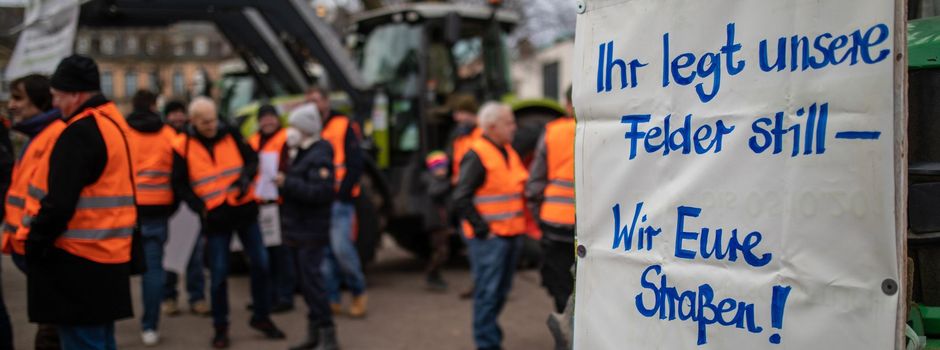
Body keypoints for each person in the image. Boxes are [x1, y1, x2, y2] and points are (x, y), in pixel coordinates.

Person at [24, 54, 136, 349]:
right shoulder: (113, 125)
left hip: (77, 262)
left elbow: (59, 204)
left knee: (82, 341)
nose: (56, 104)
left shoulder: (78, 133)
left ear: (75, 93)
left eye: (57, 96)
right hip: (109, 256)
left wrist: (34, 242)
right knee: (101, 340)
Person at [172, 97, 285, 348]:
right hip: (215, 218)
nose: (212, 125)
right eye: (205, 122)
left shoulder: (231, 133)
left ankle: (262, 316)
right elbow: (179, 183)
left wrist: (246, 177)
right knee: (219, 274)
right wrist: (199, 207)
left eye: (214, 118)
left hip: (244, 210)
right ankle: (220, 326)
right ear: (193, 122)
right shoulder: (182, 146)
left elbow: (252, 160)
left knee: (261, 264)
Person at [453, 102, 528, 350]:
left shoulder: (508, 151)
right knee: (487, 294)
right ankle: (487, 344)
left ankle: (490, 339)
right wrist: (483, 230)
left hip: (511, 234)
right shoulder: (477, 154)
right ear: (493, 126)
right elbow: (461, 197)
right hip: (490, 240)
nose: (514, 128)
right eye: (510, 123)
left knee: (499, 292)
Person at [1, 74, 62, 350]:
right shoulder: (37, 136)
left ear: (39, 102)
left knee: (52, 333)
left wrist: (33, 239)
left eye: (18, 98)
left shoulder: (51, 137)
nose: (11, 105)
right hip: (30, 249)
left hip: (42, 251)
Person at [277, 104, 338, 350]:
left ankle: (328, 335)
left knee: (313, 282)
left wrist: (287, 183)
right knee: (306, 283)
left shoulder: (319, 154)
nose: (290, 131)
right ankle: (314, 333)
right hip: (299, 229)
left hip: (311, 229)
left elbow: (321, 193)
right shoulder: (302, 153)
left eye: (294, 126)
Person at [305, 86, 368, 317]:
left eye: (315, 100)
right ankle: (332, 298)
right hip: (319, 201)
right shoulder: (310, 129)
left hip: (339, 200)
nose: (312, 105)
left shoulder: (343, 125)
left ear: (326, 102)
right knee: (325, 254)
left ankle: (358, 291)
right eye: (308, 101)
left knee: (342, 249)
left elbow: (355, 162)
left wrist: (342, 193)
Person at [126, 89, 180, 346]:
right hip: (158, 210)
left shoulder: (122, 133)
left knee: (112, 269)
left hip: (125, 210)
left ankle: (105, 323)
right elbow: (180, 172)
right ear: (154, 106)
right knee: (153, 271)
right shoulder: (168, 134)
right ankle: (149, 326)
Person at [524, 86, 576, 350]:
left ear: (567, 104)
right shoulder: (614, 128)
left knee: (561, 289)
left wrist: (539, 218)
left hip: (556, 225)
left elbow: (534, 184)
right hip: (594, 229)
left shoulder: (553, 131)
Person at [160, 98, 210, 318]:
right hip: (170, 207)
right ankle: (169, 297)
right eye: (173, 113)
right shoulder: (161, 138)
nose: (177, 117)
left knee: (195, 256)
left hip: (191, 206)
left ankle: (196, 297)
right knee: (171, 257)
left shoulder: (193, 138)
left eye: (181, 113)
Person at [247, 104, 295, 313]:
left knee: (281, 253)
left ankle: (284, 296)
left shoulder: (286, 138)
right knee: (262, 254)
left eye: (271, 117)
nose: (268, 122)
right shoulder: (252, 141)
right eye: (263, 118)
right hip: (258, 203)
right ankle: (265, 297)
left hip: (279, 203)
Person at [445, 94, 481, 299]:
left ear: (470, 114)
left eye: (460, 114)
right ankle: (479, 282)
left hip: (475, 199)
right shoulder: (460, 137)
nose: (457, 118)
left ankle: (482, 285)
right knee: (470, 243)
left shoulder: (480, 135)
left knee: (477, 244)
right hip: (464, 197)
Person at [422, 151, 453, 291]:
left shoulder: (440, 182)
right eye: (438, 167)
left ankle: (435, 275)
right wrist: (450, 184)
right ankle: (431, 275)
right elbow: (434, 192)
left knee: (442, 251)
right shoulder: (432, 181)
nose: (442, 170)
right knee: (441, 251)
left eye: (444, 167)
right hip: (435, 223)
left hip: (441, 222)